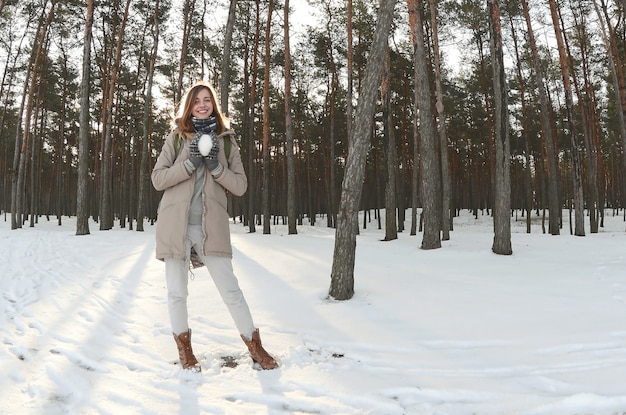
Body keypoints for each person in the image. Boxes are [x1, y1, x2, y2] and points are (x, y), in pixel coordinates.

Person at [151, 80, 278, 371]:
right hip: (175, 227)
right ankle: (185, 352)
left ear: (214, 105)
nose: (202, 104)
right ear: (189, 106)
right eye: (196, 101)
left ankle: (255, 348)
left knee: (231, 290)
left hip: (212, 228)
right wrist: (189, 162)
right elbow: (158, 179)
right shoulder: (176, 138)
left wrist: (216, 167)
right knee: (176, 292)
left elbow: (241, 186)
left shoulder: (226, 140)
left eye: (207, 99)